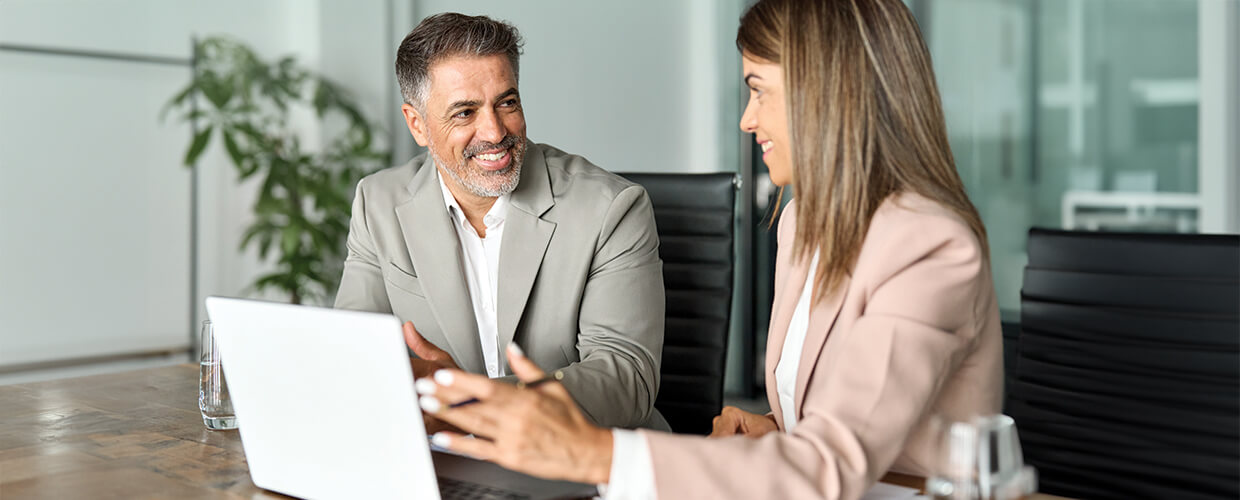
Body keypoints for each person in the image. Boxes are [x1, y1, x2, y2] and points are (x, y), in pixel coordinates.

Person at [410, 0, 1004, 498]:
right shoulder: (804, 221)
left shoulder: (928, 244)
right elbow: (858, 412)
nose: (747, 119)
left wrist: (593, 453)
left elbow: (833, 464)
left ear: (829, 95)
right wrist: (777, 425)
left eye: (760, 91)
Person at [334, 13, 669, 431]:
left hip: (581, 460)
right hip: (443, 457)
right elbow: (352, 357)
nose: (494, 132)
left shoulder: (612, 209)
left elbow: (626, 382)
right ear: (418, 124)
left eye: (506, 103)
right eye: (464, 113)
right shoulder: (378, 203)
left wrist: (475, 401)